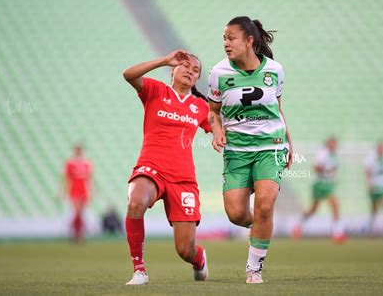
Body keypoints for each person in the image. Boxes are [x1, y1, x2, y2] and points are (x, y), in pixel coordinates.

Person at [208, 16, 293, 284]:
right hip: (237, 151)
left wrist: (290, 141)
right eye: (224, 38)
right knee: (236, 214)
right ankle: (261, 227)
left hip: (270, 146)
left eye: (230, 38)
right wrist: (218, 130)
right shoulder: (218, 74)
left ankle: (254, 268)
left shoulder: (275, 70)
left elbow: (277, 110)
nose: (225, 43)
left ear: (249, 41)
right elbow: (213, 111)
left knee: (265, 206)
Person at [122, 50, 211, 285]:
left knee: (185, 250)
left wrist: (219, 132)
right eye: (186, 66)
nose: (190, 72)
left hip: (182, 179)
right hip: (151, 167)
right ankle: (139, 270)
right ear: (173, 70)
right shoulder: (155, 91)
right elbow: (128, 74)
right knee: (136, 201)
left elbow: (217, 125)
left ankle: (199, 258)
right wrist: (162, 59)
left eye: (196, 71)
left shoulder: (200, 106)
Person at [291, 137, 347, 243]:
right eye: (332, 143)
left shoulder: (336, 155)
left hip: (328, 184)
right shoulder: (323, 153)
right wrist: (327, 171)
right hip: (319, 183)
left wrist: (332, 176)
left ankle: (338, 233)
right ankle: (298, 225)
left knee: (334, 204)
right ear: (328, 143)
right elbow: (316, 167)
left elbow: (334, 169)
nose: (334, 145)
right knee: (314, 209)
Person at [63, 144, 92, 243]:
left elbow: (89, 178)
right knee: (77, 212)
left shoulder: (87, 163)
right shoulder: (70, 163)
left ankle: (77, 234)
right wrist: (65, 191)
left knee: (80, 213)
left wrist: (90, 191)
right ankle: (78, 234)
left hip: (83, 190)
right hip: (74, 189)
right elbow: (67, 178)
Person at [364, 141, 383, 236]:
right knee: (375, 206)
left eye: (382, 148)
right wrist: (369, 183)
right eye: (379, 148)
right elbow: (367, 171)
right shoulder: (371, 158)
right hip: (375, 184)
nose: (380, 149)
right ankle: (373, 225)